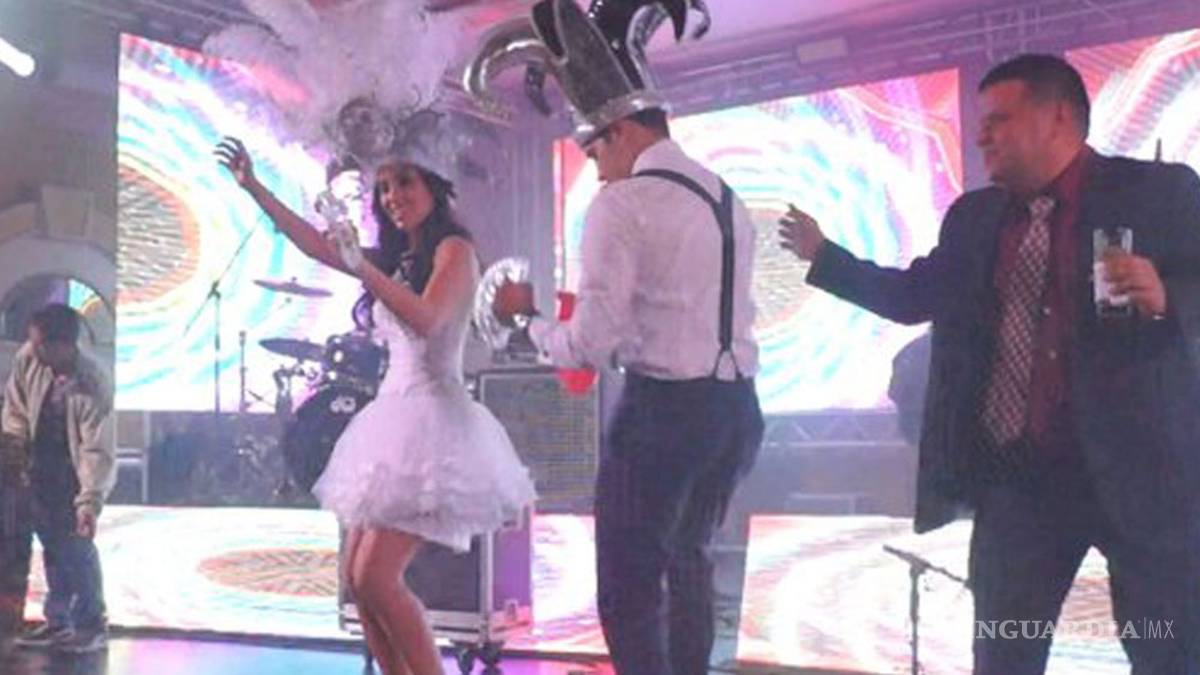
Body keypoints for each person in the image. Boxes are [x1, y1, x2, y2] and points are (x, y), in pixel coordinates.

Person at [779, 53, 1200, 673]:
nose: (982, 137)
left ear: (1058, 118)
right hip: (1022, 479)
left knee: (1166, 650)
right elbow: (914, 296)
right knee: (1004, 652)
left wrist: (1170, 295)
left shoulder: (1155, 192)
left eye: (999, 120)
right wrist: (826, 258)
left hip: (1140, 472)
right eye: (981, 123)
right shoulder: (974, 219)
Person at [216, 137, 536, 675]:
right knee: (357, 583)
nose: (392, 196)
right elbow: (315, 246)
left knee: (374, 578)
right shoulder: (398, 258)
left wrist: (361, 267)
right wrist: (254, 188)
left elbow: (428, 320)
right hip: (392, 416)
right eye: (383, 187)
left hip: (434, 420)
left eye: (404, 182)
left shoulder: (454, 250)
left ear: (432, 185)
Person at [2, 303, 115, 653]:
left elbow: (96, 448)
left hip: (73, 469)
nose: (33, 349)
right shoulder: (29, 358)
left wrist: (89, 501)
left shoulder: (93, 382)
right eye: (33, 342)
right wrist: (15, 449)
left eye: (41, 345)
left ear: (64, 345)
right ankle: (58, 620)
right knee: (51, 543)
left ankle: (91, 622)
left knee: (76, 545)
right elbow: (15, 408)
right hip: (37, 464)